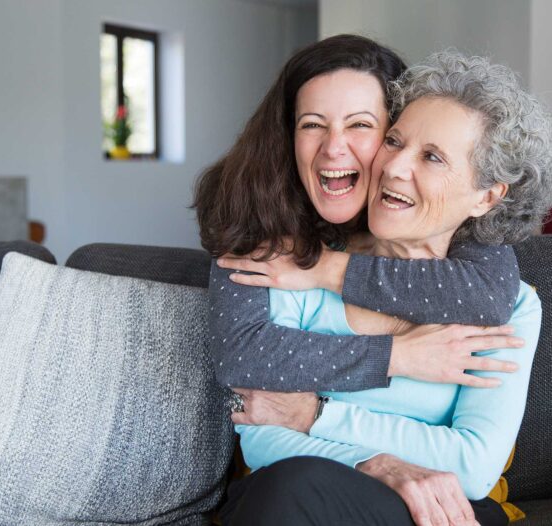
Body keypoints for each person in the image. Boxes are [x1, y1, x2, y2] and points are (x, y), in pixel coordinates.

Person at [218, 51, 552, 526]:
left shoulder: (509, 304)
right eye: (394, 141)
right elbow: (262, 428)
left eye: (431, 157)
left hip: (439, 510)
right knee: (287, 489)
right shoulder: (298, 266)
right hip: (301, 497)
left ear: (486, 196)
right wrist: (377, 464)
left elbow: (474, 467)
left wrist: (317, 415)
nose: (394, 166)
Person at [194, 35, 522, 398]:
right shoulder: (253, 206)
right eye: (312, 124)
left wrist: (326, 269)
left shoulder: (434, 212)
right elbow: (239, 356)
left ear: (394, 133)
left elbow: (487, 295)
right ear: (287, 135)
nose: (333, 148)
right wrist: (396, 356)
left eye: (360, 125)